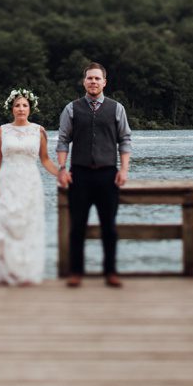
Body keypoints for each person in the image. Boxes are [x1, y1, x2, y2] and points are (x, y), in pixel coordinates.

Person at [55, 62, 132, 288]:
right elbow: (62, 141)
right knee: (77, 226)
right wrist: (62, 168)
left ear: (104, 82)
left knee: (109, 226)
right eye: (90, 78)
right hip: (78, 174)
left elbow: (125, 140)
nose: (93, 82)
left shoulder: (117, 108)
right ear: (84, 81)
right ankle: (76, 272)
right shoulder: (71, 109)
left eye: (97, 79)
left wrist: (124, 169)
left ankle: (111, 272)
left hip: (109, 174)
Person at [0, 88, 60, 286]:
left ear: (30, 108)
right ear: (11, 109)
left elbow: (45, 160)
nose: (20, 109)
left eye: (24, 105)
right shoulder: (2, 130)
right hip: (7, 181)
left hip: (30, 182)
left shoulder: (39, 131)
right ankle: (6, 271)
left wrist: (61, 173)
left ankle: (26, 272)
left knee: (28, 226)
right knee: (5, 224)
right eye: (17, 105)